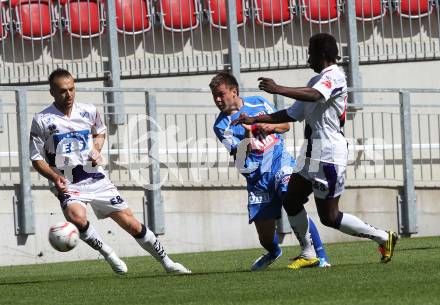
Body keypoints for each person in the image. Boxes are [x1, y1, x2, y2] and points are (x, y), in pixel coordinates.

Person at [231, 33, 398, 269]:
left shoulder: (335, 77)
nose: (308, 58)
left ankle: (383, 237)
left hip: (329, 154)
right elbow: (291, 114)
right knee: (291, 200)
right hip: (311, 151)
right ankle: (308, 253)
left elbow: (317, 95)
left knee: (329, 217)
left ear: (322, 55)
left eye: (310, 53)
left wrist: (278, 88)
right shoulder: (314, 82)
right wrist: (255, 119)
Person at [29, 68, 191, 275]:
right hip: (68, 181)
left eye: (71, 89)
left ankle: (169, 263)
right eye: (62, 91)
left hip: (95, 177)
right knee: (76, 216)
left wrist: (96, 149)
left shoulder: (88, 110)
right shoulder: (42, 119)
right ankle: (108, 253)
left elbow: (100, 131)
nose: (68, 95)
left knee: (131, 224)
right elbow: (36, 158)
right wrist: (54, 177)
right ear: (52, 91)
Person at [210, 72, 331, 271]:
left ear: (234, 91)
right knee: (265, 238)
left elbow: (285, 126)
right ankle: (274, 251)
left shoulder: (258, 102)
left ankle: (320, 256)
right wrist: (249, 130)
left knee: (291, 200)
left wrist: (269, 126)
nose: (218, 99)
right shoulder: (220, 125)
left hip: (279, 162)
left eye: (221, 94)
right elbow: (240, 153)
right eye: (215, 95)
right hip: (257, 178)